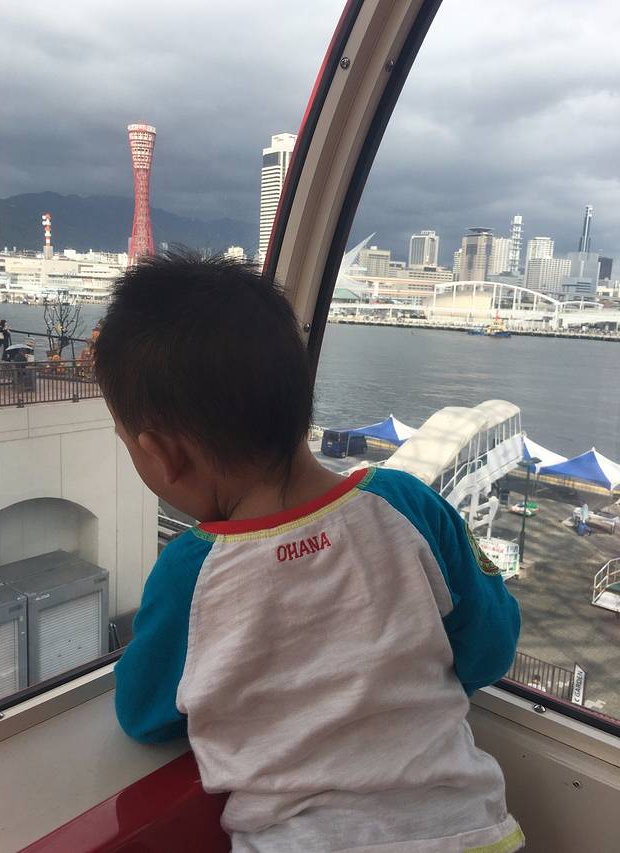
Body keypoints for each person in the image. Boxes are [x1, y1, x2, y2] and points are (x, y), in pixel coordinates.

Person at [94, 251, 523, 853]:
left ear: (163, 455)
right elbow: (490, 647)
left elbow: (144, 712)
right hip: (475, 835)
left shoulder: (192, 571)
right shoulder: (409, 506)